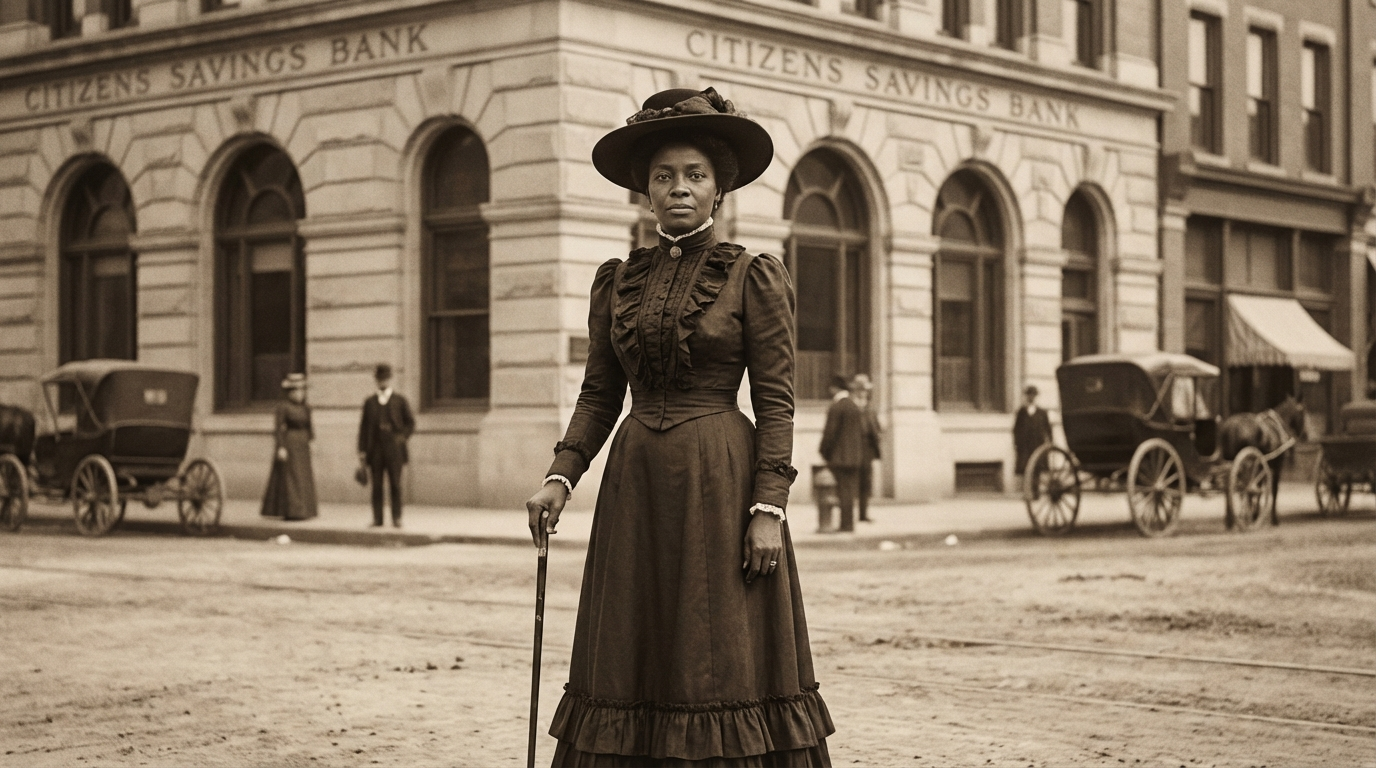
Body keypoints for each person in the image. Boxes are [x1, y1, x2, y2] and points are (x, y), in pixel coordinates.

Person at [524, 87, 833, 767]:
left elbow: (777, 402)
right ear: (645, 190)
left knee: (715, 650)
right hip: (634, 488)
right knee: (635, 644)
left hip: (721, 481)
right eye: (664, 177)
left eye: (695, 176)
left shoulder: (753, 276)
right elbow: (600, 393)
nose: (679, 190)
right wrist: (560, 475)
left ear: (719, 188)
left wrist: (767, 509)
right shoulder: (617, 282)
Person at [357, 364, 415, 528]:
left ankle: (396, 517)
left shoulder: (399, 400)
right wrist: (361, 451)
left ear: (390, 379)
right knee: (376, 485)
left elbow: (410, 423)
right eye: (380, 379)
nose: (382, 382)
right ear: (376, 381)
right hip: (375, 450)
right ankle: (378, 518)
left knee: (395, 484)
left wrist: (401, 438)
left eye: (385, 379)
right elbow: (363, 428)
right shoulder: (370, 402)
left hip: (394, 450)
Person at [260, 373, 318, 521]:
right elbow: (279, 428)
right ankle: (293, 510)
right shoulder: (283, 407)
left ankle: (306, 510)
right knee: (292, 478)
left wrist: (312, 441)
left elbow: (310, 427)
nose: (300, 394)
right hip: (290, 444)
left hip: (303, 446)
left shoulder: (306, 408)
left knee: (304, 477)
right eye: (296, 390)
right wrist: (281, 447)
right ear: (290, 392)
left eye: (301, 390)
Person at [820, 375, 864, 533]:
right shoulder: (853, 405)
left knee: (842, 492)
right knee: (849, 492)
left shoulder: (837, 406)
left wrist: (824, 451)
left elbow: (830, 433)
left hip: (840, 457)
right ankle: (848, 523)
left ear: (834, 388)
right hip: (854, 456)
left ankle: (845, 525)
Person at [850, 373, 881, 524]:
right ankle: (848, 516)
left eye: (865, 390)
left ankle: (863, 513)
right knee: (851, 482)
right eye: (861, 390)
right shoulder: (850, 405)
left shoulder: (869, 408)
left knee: (865, 483)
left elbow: (876, 427)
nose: (863, 393)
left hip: (867, 449)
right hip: (853, 448)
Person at [1013, 384, 1053, 490]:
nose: (1031, 397)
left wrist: (1049, 443)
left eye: (1033, 395)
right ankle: (1027, 490)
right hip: (1025, 445)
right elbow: (1016, 429)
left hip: (1038, 443)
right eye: (1029, 395)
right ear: (1026, 396)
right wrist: (1017, 443)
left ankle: (1036, 491)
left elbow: (1048, 429)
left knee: (1038, 468)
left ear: (1035, 397)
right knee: (1026, 468)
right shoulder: (1022, 412)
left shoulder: (1042, 412)